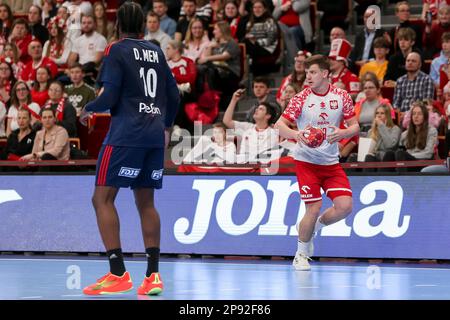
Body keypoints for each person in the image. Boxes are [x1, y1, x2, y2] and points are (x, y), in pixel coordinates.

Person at [79, 2, 180, 296]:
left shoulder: (116, 49)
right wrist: (166, 126)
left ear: (119, 24)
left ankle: (117, 273)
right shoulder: (157, 51)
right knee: (146, 203)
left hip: (125, 135)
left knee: (102, 199)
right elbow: (173, 95)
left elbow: (109, 96)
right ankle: (153, 277)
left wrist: (89, 108)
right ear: (141, 24)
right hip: (152, 135)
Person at [274, 54, 359, 271]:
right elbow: (279, 125)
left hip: (331, 163)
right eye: (307, 72)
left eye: (312, 72)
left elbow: (355, 127)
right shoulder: (301, 98)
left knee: (345, 207)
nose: (308, 76)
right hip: (306, 162)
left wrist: (342, 132)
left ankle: (314, 228)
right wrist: (297, 133)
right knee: (313, 207)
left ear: (325, 74)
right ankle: (301, 254)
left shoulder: (341, 96)